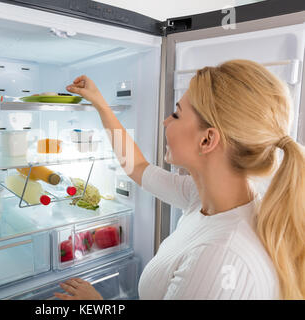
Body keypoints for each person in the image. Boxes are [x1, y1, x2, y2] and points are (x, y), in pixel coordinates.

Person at [53, 60, 305, 300]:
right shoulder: (205, 199)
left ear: (207, 140)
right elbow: (137, 167)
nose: (165, 121)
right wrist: (101, 105)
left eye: (176, 114)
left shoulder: (219, 257)